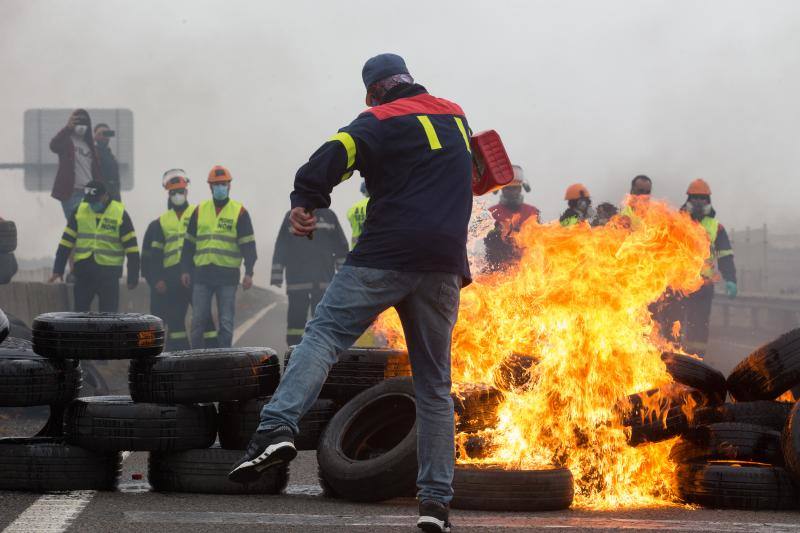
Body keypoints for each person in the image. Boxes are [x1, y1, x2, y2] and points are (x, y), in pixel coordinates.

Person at [229, 53, 472, 533]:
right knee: (434, 386)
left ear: (374, 90)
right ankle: (436, 504)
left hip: (384, 255)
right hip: (444, 265)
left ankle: (277, 428)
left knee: (321, 338)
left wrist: (306, 201)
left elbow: (328, 158)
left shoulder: (375, 120)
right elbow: (479, 171)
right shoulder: (455, 114)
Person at [180, 165, 257, 349]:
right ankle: (195, 358)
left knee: (226, 322)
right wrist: (185, 269)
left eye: (223, 184)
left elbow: (248, 246)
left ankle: (224, 359)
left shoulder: (240, 212)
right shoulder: (199, 211)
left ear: (229, 186)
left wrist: (249, 272)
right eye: (216, 184)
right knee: (197, 320)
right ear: (210, 187)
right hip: (202, 275)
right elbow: (188, 244)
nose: (220, 187)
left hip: (227, 276)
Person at [49, 180, 139, 311]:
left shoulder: (119, 213)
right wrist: (58, 269)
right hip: (84, 272)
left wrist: (133, 276)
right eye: (89, 200)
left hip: (109, 274)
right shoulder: (80, 211)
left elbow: (132, 248)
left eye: (95, 200)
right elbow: (66, 242)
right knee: (80, 316)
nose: (92, 204)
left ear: (105, 196)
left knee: (109, 318)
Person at [142, 169, 202, 350]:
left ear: (187, 192)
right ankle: (178, 353)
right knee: (176, 319)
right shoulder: (161, 221)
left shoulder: (197, 213)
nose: (177, 196)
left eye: (180, 192)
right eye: (174, 193)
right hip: (172, 276)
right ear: (169, 194)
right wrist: (157, 279)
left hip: (196, 273)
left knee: (202, 317)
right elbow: (154, 256)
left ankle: (209, 353)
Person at [271, 208, 348, 346]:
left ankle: (319, 354)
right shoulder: (291, 216)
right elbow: (282, 245)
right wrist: (276, 275)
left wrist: (344, 277)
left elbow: (340, 247)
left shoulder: (329, 216)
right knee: (296, 323)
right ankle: (293, 354)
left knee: (323, 322)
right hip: (298, 282)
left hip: (322, 281)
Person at [679, 179, 737, 356]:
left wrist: (731, 280)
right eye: (695, 197)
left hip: (704, 286)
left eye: (702, 198)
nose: (698, 201)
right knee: (677, 323)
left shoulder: (716, 227)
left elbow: (725, 255)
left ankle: (697, 360)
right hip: (680, 286)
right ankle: (675, 360)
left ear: (708, 201)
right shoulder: (676, 222)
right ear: (689, 199)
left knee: (700, 324)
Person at [49, 109, 103, 220]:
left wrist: (102, 192)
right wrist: (67, 128)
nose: (82, 125)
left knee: (92, 227)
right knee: (77, 228)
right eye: (78, 121)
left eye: (84, 122)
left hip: (90, 192)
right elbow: (53, 146)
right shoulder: (66, 141)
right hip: (73, 192)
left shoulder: (90, 146)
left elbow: (96, 172)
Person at [483, 166, 539, 269]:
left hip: (526, 267)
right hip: (497, 267)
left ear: (520, 189)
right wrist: (499, 233)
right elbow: (485, 238)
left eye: (514, 188)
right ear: (501, 189)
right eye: (508, 188)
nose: (511, 192)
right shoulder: (492, 213)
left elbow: (539, 239)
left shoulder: (532, 212)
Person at [94, 123, 121, 201]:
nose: (104, 136)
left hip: (114, 195)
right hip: (100, 196)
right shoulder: (92, 153)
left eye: (106, 133)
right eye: (100, 133)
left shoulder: (111, 155)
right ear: (95, 136)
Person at [346, 182, 370, 248]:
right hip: (372, 247)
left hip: (356, 247)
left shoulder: (352, 209)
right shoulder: (375, 204)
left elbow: (352, 225)